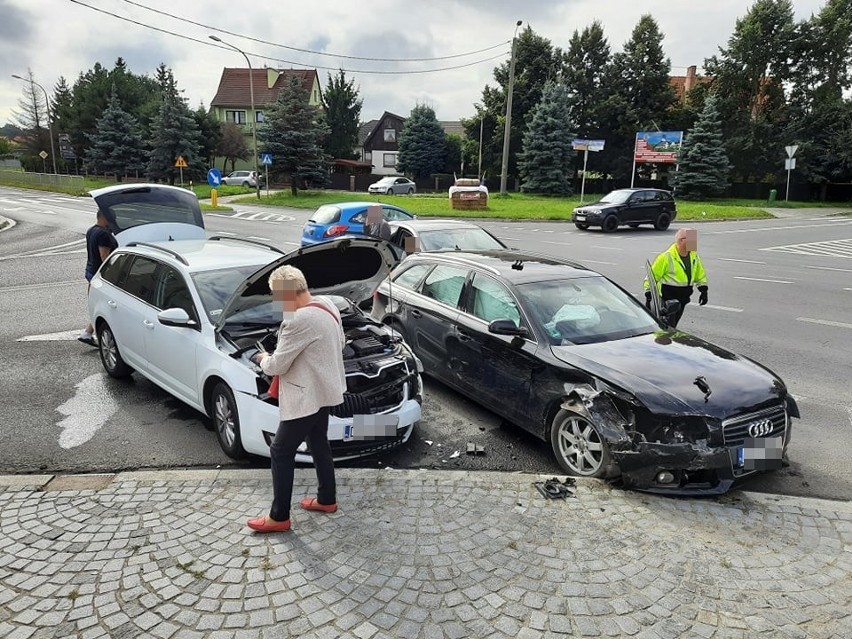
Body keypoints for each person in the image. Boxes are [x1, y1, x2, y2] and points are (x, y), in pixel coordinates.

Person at [247, 265, 346, 533]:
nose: (275, 302)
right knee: (318, 442)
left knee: (280, 451)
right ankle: (327, 499)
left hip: (305, 397)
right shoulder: (328, 305)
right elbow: (340, 342)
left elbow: (276, 366)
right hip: (326, 390)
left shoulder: (296, 320)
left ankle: (279, 517)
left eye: (275, 296)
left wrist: (261, 358)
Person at [644, 227, 708, 328]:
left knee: (672, 326)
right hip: (668, 299)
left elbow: (699, 273)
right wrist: (649, 293)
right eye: (691, 239)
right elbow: (652, 276)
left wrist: (703, 290)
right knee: (667, 327)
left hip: (683, 298)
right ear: (681, 240)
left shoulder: (693, 256)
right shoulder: (666, 257)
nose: (694, 242)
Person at [78, 209, 118, 346]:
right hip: (100, 276)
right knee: (103, 306)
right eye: (112, 218)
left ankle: (87, 333)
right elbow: (104, 256)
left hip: (90, 271)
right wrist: (112, 274)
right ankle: (91, 334)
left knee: (97, 305)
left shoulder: (91, 230)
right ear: (105, 218)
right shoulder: (103, 234)